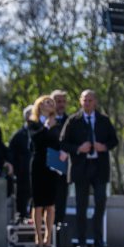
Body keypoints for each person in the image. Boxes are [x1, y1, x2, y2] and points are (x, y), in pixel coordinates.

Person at [59, 90, 119, 247]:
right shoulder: (73, 120)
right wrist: (78, 148)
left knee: (100, 202)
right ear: (80, 101)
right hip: (81, 168)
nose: (87, 103)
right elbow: (63, 143)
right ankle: (82, 241)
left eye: (90, 100)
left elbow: (114, 140)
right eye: (84, 100)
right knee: (81, 205)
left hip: (99, 168)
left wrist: (104, 146)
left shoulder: (103, 120)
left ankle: (98, 240)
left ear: (95, 102)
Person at [28, 95, 61, 247]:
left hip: (51, 164)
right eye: (47, 102)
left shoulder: (57, 124)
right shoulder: (33, 123)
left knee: (50, 203)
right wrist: (46, 127)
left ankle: (48, 238)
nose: (50, 104)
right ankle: (38, 237)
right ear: (40, 105)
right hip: (38, 164)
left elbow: (57, 142)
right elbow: (36, 140)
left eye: (52, 103)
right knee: (38, 203)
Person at [8, 106, 34, 222]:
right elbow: (11, 154)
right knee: (22, 198)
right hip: (23, 175)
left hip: (37, 174)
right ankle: (22, 217)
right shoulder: (18, 135)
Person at [50, 90, 71, 226]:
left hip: (63, 166)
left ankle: (59, 228)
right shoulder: (46, 120)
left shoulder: (70, 121)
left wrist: (67, 150)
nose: (61, 105)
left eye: (63, 101)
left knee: (61, 198)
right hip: (47, 166)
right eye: (58, 102)